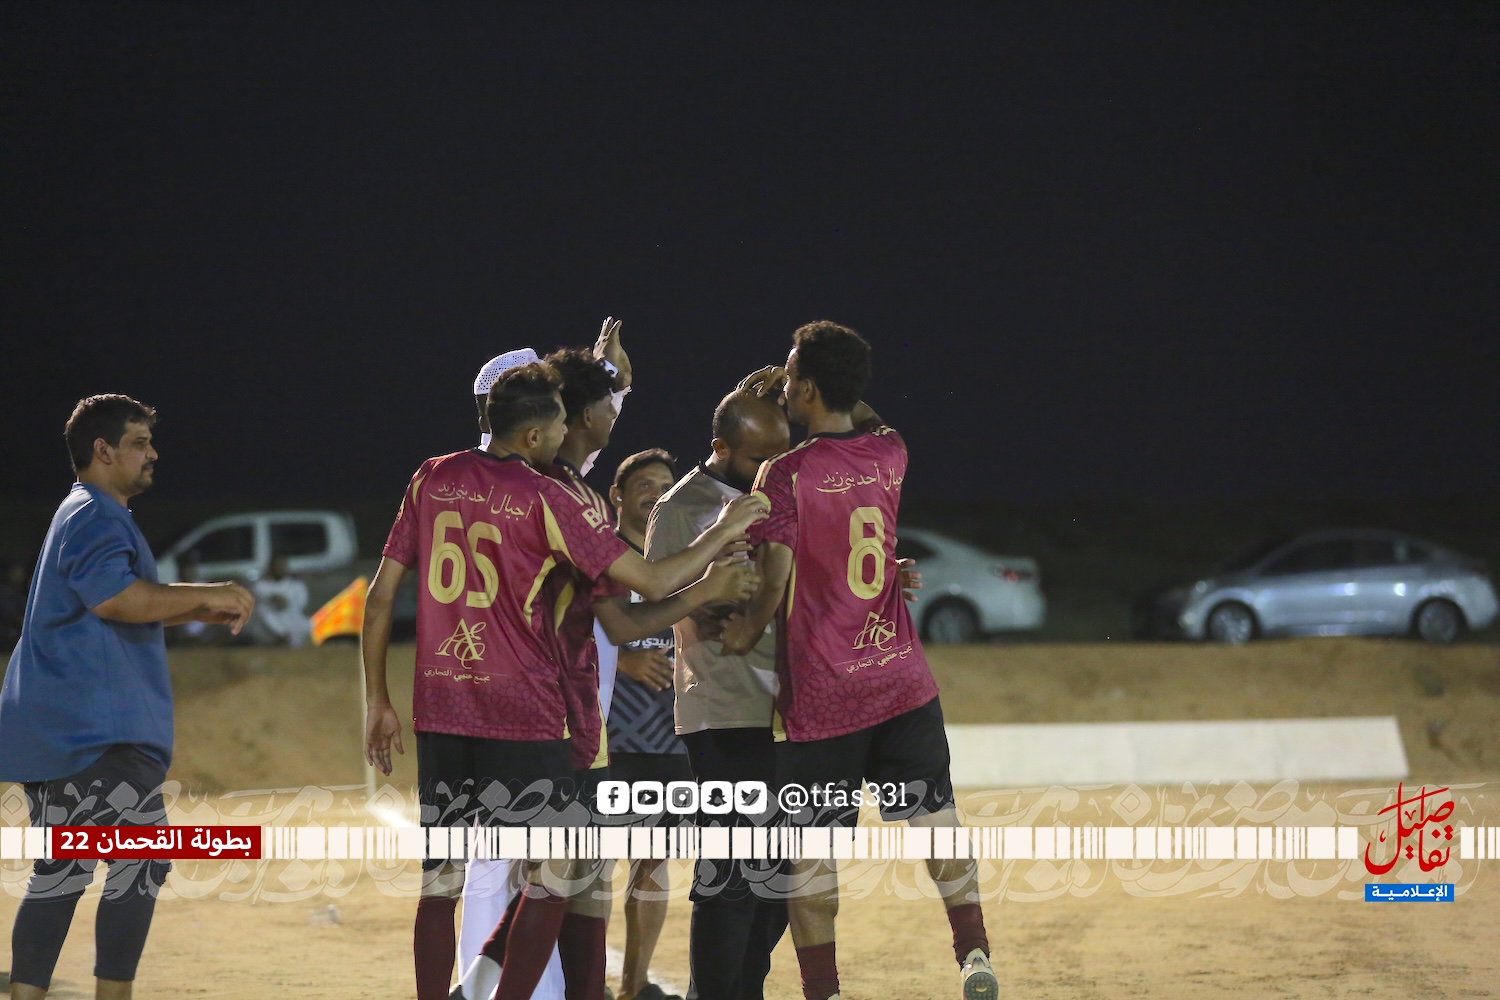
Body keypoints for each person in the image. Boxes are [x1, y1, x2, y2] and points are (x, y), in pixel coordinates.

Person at [361, 362, 766, 1000]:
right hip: (525, 709)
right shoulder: (549, 498)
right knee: (557, 870)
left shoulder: (432, 476)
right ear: (534, 435)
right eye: (558, 423)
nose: (567, 432)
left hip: (442, 704)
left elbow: (381, 595)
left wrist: (378, 700)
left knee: (440, 881)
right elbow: (651, 584)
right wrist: (722, 536)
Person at [721, 322, 998, 1000]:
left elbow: (775, 573)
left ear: (810, 390)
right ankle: (973, 953)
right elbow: (867, 417)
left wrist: (745, 630)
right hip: (901, 679)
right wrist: (832, 382)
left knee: (813, 855)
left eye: (791, 378)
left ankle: (824, 989)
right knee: (937, 822)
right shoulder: (890, 451)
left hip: (825, 698)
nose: (784, 387)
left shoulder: (785, 473)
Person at [0, 394, 254, 1000]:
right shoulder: (98, 514)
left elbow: (108, 603)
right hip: (96, 734)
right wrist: (210, 593)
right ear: (103, 450)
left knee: (63, 872)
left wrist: (192, 609)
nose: (152, 454)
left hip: (60, 730)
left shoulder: (79, 510)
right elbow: (117, 598)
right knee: (140, 861)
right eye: (139, 443)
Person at [456, 322, 633, 1000]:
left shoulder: (504, 476)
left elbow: (589, 437)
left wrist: (612, 380)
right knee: (519, 865)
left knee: (559, 863)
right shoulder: (539, 488)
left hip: (540, 701)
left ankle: (499, 985)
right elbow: (628, 602)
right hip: (536, 704)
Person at [644, 383, 794, 1000]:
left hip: (791, 709)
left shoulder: (783, 492)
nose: (771, 468)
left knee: (783, 880)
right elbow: (657, 595)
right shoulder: (681, 507)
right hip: (723, 706)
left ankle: (743, 988)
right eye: (759, 458)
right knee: (730, 877)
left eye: (781, 453)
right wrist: (715, 592)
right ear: (721, 448)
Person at [603, 448, 691, 1000]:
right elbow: (563, 630)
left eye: (666, 486)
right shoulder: (599, 556)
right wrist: (624, 661)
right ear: (617, 495)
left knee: (653, 861)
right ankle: (580, 980)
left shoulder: (682, 562)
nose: (657, 494)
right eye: (644, 485)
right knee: (588, 863)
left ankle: (635, 987)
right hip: (607, 737)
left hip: (670, 735)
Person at [247, 555, 311, 647]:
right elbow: (258, 605)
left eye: (282, 566)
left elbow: (302, 604)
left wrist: (287, 603)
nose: (279, 569)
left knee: (308, 625)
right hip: (269, 622)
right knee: (262, 612)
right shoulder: (261, 585)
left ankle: (289, 641)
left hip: (290, 617)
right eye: (276, 567)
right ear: (271, 568)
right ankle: (281, 636)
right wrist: (272, 599)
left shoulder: (296, 585)